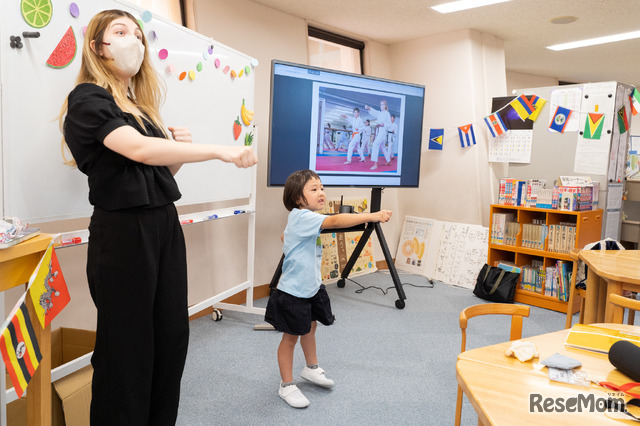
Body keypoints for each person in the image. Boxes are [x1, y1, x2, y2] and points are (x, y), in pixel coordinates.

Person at [59, 10, 257, 426]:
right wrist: (217, 150)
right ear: (98, 47)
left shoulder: (140, 107)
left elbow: (157, 175)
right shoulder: (88, 99)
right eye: (119, 31)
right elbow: (141, 153)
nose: (133, 40)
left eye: (137, 33)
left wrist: (177, 150)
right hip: (123, 230)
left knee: (170, 337)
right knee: (128, 347)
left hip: (163, 223)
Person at [265, 169, 392, 408]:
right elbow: (334, 220)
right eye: (313, 189)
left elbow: (284, 237)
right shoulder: (302, 217)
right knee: (290, 337)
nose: (321, 193)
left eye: (321, 188)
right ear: (297, 199)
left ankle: (311, 368)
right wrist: (372, 215)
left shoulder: (302, 218)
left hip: (311, 287)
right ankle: (286, 385)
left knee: (311, 327)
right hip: (294, 292)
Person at [365, 100, 392, 170]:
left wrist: (384, 124)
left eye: (383, 104)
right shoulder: (379, 113)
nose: (381, 106)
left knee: (375, 144)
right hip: (378, 131)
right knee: (382, 147)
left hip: (382, 131)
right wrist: (369, 108)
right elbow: (374, 112)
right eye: (380, 104)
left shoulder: (387, 113)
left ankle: (375, 164)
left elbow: (389, 124)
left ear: (385, 106)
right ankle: (388, 161)